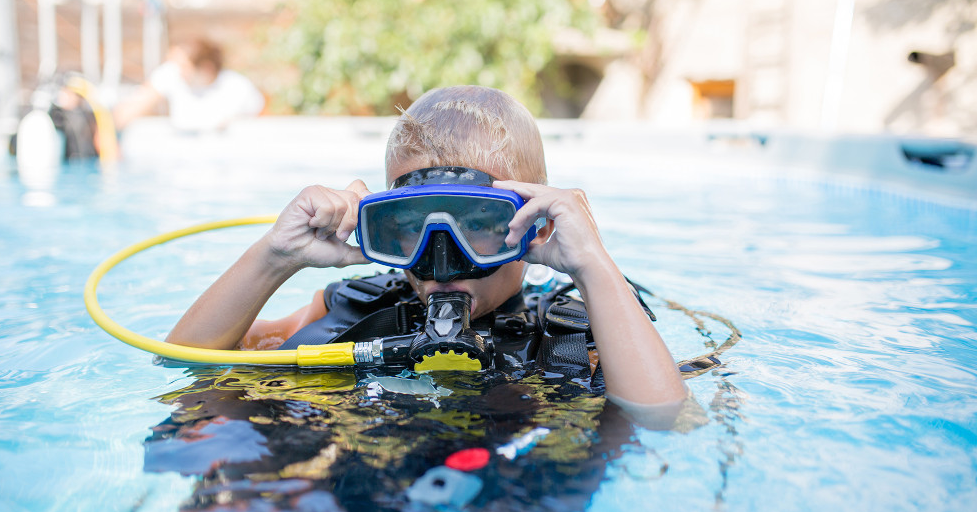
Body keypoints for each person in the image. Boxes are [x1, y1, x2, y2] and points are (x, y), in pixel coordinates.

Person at [167, 84, 687, 411]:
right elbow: (188, 367)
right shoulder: (355, 306)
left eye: (479, 224)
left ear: (538, 225)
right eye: (413, 226)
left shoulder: (579, 334)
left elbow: (664, 418)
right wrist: (275, 258)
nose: (442, 260)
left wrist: (593, 266)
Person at [113, 38, 265, 133]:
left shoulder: (236, 87)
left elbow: (266, 127)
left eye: (184, 67)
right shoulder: (172, 74)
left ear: (207, 68)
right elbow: (126, 113)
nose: (177, 71)